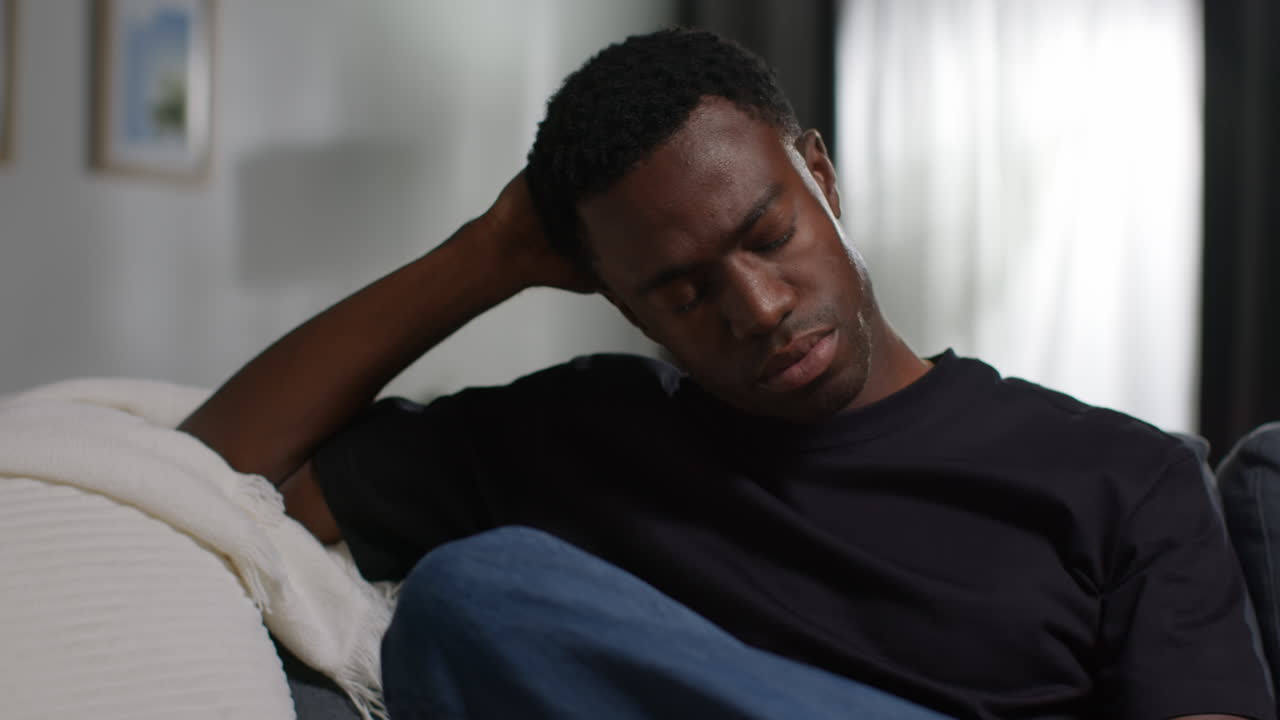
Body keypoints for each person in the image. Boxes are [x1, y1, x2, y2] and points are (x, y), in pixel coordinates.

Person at [180, 28, 1274, 720]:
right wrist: (487, 253)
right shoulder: (578, 440)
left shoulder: (1119, 477)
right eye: (681, 289)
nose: (757, 308)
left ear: (823, 178)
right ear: (615, 300)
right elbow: (212, 473)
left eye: (767, 235)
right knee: (483, 596)